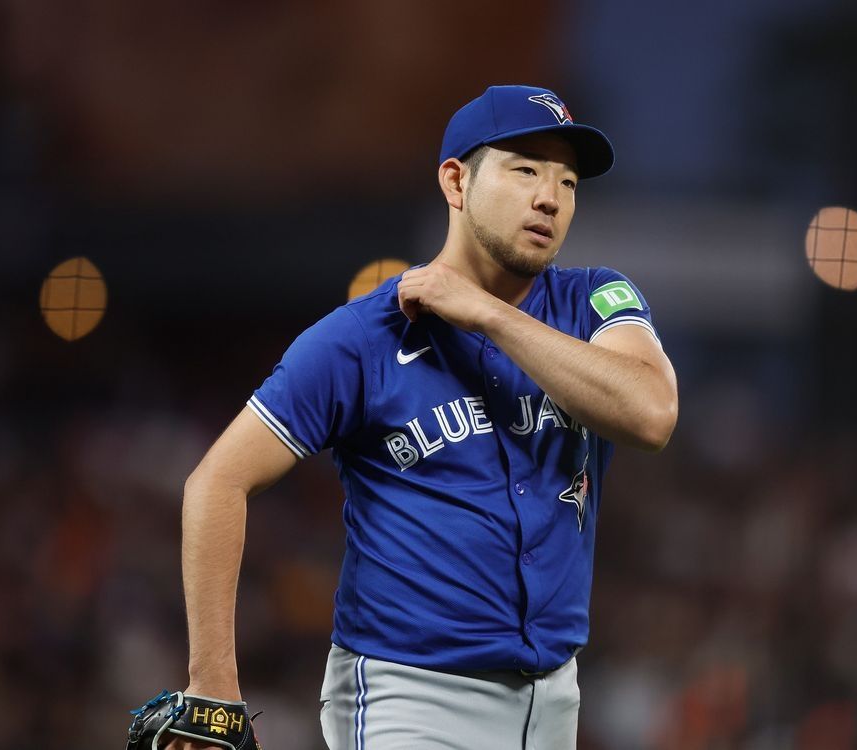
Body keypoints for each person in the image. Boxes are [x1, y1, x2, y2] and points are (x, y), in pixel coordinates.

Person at [168, 84, 678, 750]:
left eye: (568, 181)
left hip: (554, 702)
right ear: (456, 180)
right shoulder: (364, 337)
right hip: (409, 696)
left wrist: (489, 315)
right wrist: (212, 681)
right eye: (525, 169)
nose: (550, 197)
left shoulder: (595, 300)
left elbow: (651, 413)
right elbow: (216, 483)